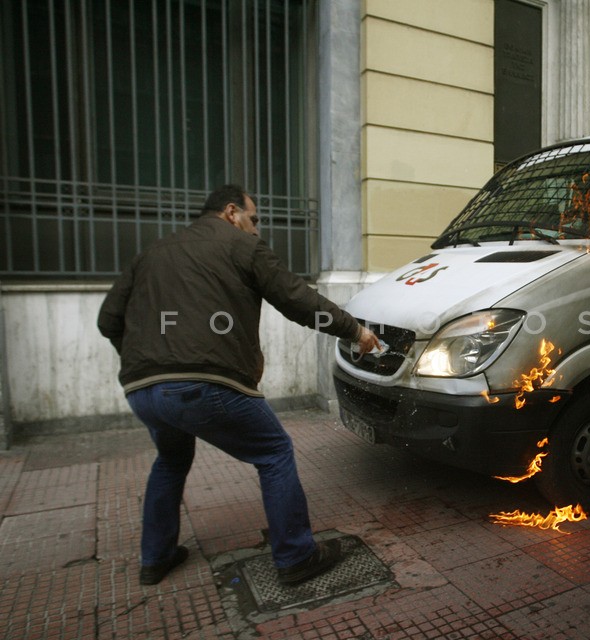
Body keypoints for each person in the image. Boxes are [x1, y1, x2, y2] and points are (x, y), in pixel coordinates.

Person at [98, 184, 379, 586]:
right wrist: (354, 331)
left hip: (143, 390)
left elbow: (108, 321)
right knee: (274, 451)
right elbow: (296, 298)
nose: (256, 230)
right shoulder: (240, 245)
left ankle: (156, 558)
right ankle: (296, 557)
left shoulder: (151, 254)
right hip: (205, 382)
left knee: (171, 459)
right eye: (254, 219)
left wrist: (146, 357)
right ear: (232, 212)